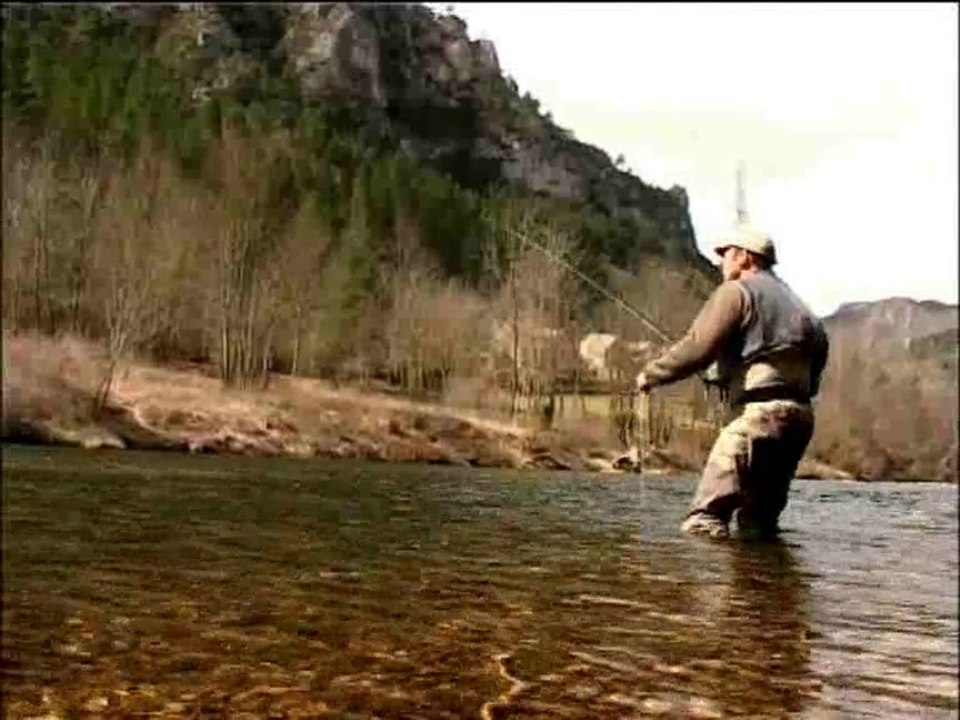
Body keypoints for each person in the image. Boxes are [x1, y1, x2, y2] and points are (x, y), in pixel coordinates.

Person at [635, 223, 829, 539]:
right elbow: (810, 366)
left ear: (744, 257)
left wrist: (651, 374)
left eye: (724, 254)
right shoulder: (803, 309)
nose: (719, 263)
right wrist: (726, 376)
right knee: (759, 527)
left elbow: (697, 347)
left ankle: (707, 573)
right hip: (799, 422)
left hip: (757, 418)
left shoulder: (737, 292)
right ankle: (767, 573)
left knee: (704, 522)